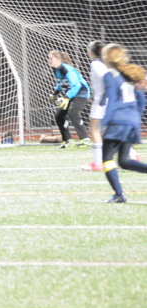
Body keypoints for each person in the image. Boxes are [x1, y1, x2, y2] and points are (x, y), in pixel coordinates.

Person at [98, 43, 147, 203]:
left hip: (117, 121)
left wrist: (104, 123)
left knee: (107, 159)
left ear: (106, 58)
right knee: (124, 161)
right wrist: (134, 119)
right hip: (131, 121)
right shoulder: (129, 73)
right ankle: (118, 194)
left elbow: (112, 100)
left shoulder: (110, 75)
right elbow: (141, 100)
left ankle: (119, 195)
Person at [47, 50, 91, 148]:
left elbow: (77, 85)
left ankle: (85, 139)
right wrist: (55, 93)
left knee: (73, 113)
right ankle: (67, 140)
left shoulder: (66, 69)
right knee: (59, 116)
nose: (49, 60)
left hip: (81, 92)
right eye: (48, 58)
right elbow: (61, 83)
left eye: (51, 58)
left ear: (58, 59)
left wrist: (66, 97)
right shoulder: (56, 69)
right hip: (71, 93)